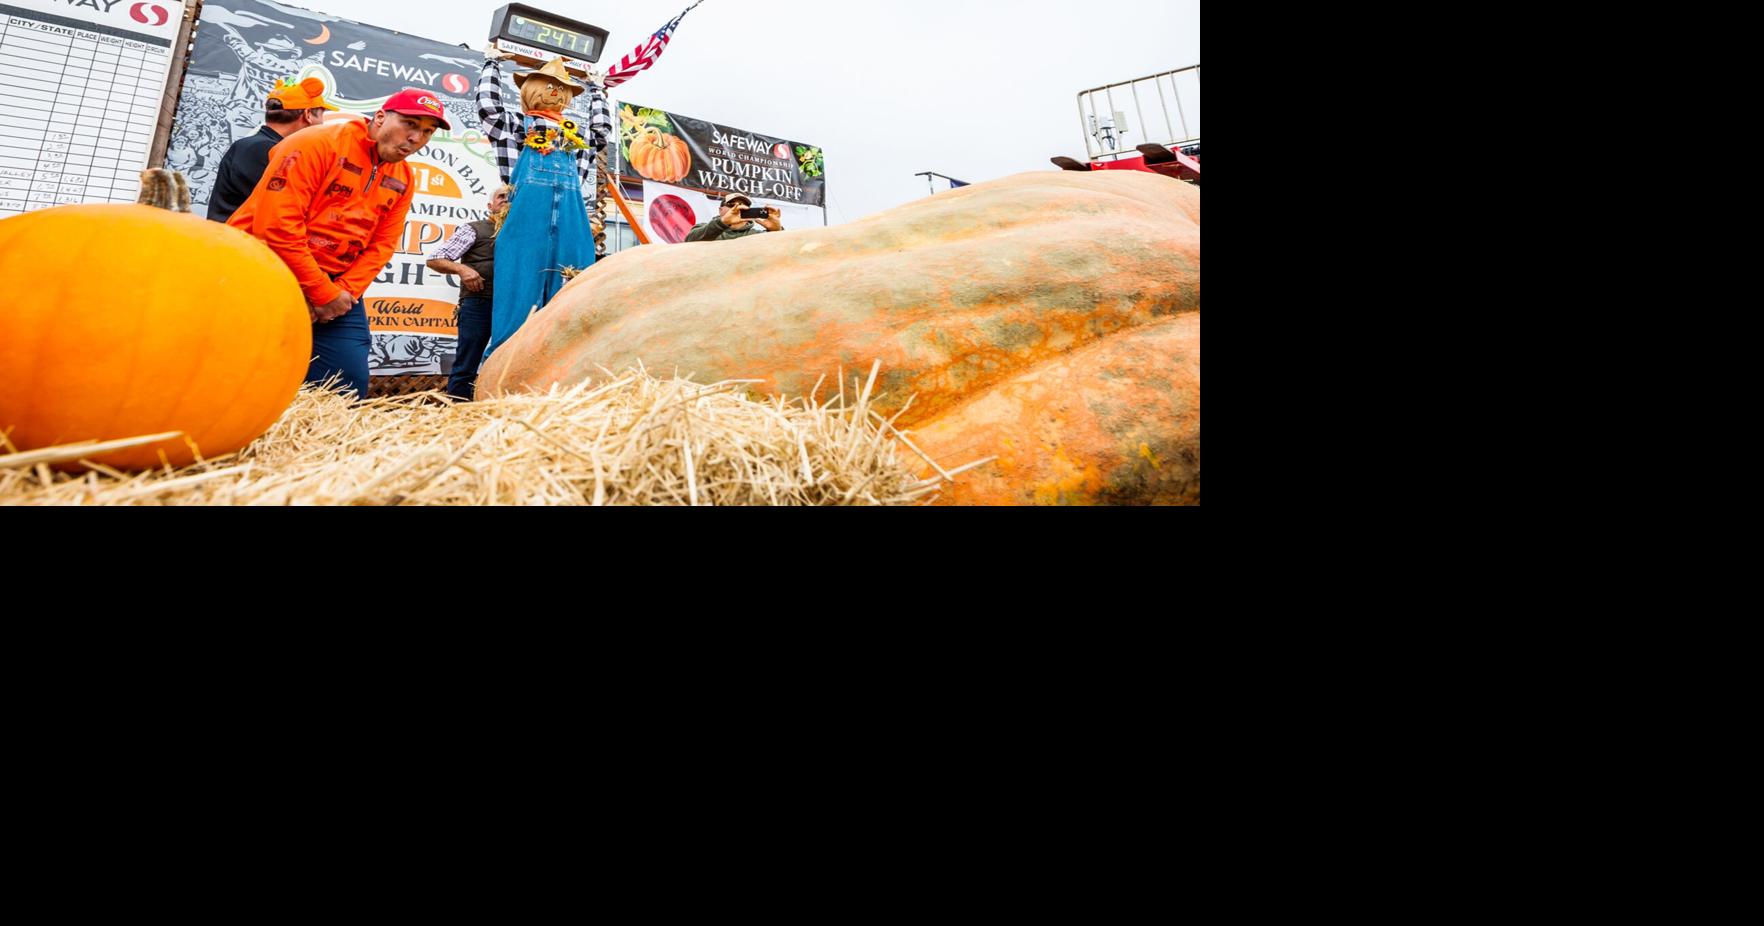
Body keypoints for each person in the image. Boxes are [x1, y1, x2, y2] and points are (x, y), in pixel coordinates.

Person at [228, 88, 447, 399]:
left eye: (428, 131)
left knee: (345, 386)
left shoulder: (404, 177)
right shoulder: (316, 143)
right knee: (243, 377)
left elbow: (382, 245)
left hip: (334, 289)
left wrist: (342, 293)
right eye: (410, 124)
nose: (417, 138)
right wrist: (321, 291)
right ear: (381, 117)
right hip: (263, 269)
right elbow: (276, 226)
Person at [476, 54, 611, 358]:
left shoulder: (578, 137)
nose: (554, 91)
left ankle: (567, 368)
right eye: (547, 84)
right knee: (518, 293)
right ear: (530, 89)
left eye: (560, 86)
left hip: (572, 223)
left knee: (574, 293)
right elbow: (488, 108)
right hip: (525, 222)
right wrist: (492, 65)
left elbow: (601, 132)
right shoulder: (513, 125)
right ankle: (503, 368)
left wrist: (596, 91)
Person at [206, 77, 337, 225]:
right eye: (321, 115)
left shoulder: (259, 146)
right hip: (236, 242)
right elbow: (281, 206)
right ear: (307, 115)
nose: (322, 123)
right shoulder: (262, 149)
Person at [427, 184, 514, 400]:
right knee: (467, 361)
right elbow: (435, 259)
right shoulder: (474, 228)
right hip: (479, 303)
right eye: (500, 196)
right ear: (490, 205)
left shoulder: (524, 233)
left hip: (514, 305)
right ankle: (459, 410)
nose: (505, 199)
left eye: (510, 197)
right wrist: (463, 269)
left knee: (511, 359)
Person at [684, 192, 783, 241]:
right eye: (731, 205)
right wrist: (722, 223)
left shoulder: (757, 235)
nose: (738, 208)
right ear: (720, 210)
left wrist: (776, 231)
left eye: (743, 205)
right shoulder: (705, 229)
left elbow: (782, 252)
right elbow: (689, 241)